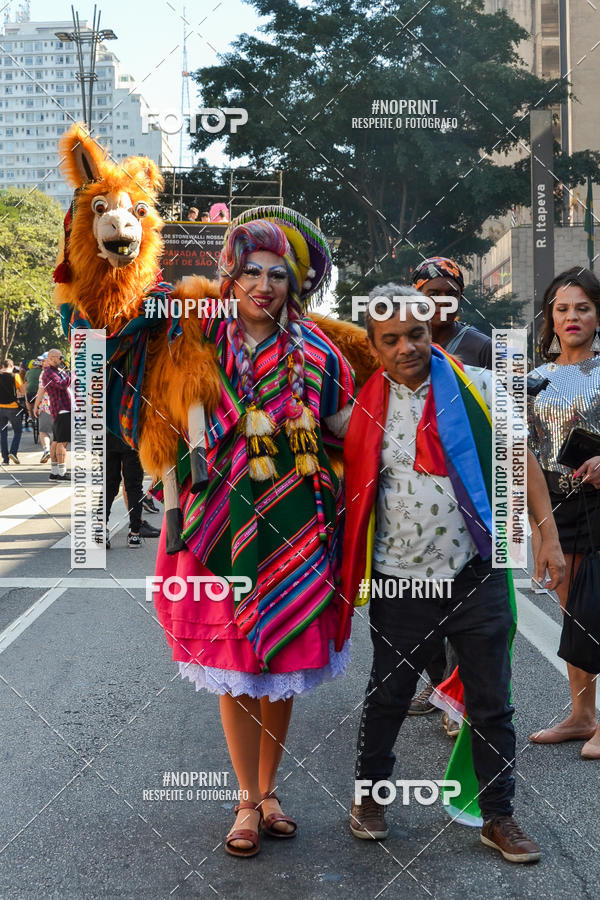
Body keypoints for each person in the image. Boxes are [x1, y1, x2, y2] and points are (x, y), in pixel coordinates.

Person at [150, 208, 354, 857]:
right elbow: (174, 436)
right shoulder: (200, 347)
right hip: (217, 529)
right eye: (252, 272)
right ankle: (245, 798)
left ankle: (270, 790)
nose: (264, 285)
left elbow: (349, 425)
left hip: (299, 527)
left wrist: (418, 408)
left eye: (277, 275)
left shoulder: (319, 352)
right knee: (237, 668)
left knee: (283, 660)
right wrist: (179, 511)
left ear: (293, 285)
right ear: (231, 278)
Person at [341, 285, 563, 862]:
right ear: (375, 345)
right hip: (400, 581)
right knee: (388, 694)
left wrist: (547, 536)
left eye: (415, 334)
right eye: (390, 340)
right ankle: (370, 799)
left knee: (493, 702)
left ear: (431, 328)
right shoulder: (359, 411)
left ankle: (499, 816)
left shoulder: (479, 387)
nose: (406, 347)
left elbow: (523, 460)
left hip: (476, 574)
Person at [408, 257, 493, 734]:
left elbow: (502, 416)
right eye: (430, 292)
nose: (439, 301)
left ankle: (460, 700)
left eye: (449, 292)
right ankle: (436, 682)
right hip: (417, 491)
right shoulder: (406, 341)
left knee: (465, 599)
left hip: (470, 489)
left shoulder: (479, 345)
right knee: (422, 597)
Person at [528, 267, 600, 759]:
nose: (571, 317)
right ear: (550, 317)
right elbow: (519, 455)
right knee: (572, 608)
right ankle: (582, 715)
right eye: (562, 308)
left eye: (583, 307)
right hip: (555, 507)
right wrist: (535, 526)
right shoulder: (532, 380)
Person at [412, 256, 492, 368]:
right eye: (433, 295)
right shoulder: (403, 345)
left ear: (461, 298)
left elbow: (514, 383)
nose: (444, 302)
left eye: (452, 295)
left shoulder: (483, 348)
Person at [100, 433, 160, 548]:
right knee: (134, 487)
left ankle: (101, 528)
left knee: (108, 484)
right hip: (131, 434)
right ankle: (135, 534)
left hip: (108, 435)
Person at [34, 348, 70, 481]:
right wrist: (72, 374)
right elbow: (62, 385)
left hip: (61, 409)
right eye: (60, 357)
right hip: (60, 409)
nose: (62, 359)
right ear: (51, 358)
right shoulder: (48, 372)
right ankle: (61, 472)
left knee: (57, 440)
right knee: (62, 441)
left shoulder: (55, 371)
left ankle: (55, 472)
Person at [0, 358, 25, 464]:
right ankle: (13, 452)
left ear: (2, 366)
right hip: (13, 407)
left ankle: (5, 458)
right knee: (18, 431)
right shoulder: (16, 376)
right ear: (12, 367)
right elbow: (23, 391)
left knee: (3, 433)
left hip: (0, 408)